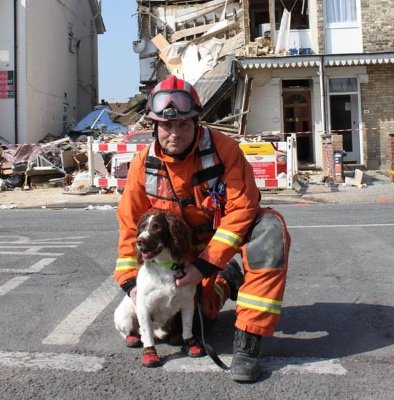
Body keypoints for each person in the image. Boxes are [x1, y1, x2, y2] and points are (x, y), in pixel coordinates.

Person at [114, 75, 291, 382]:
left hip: (217, 245)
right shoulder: (143, 164)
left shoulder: (225, 150)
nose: (175, 133)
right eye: (166, 125)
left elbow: (242, 209)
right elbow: (131, 226)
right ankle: (225, 282)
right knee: (184, 330)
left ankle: (248, 342)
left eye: (184, 124)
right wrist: (131, 285)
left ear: (197, 122)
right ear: (154, 126)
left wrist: (205, 265)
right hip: (181, 258)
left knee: (270, 232)